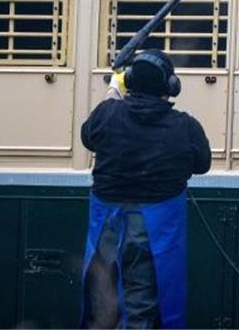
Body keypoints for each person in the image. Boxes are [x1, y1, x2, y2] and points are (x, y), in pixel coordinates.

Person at [80, 49, 212, 329]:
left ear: (130, 80)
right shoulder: (185, 126)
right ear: (171, 87)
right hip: (155, 228)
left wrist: (114, 89)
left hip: (107, 225)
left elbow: (88, 136)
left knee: (102, 304)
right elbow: (202, 164)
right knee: (143, 305)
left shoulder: (107, 114)